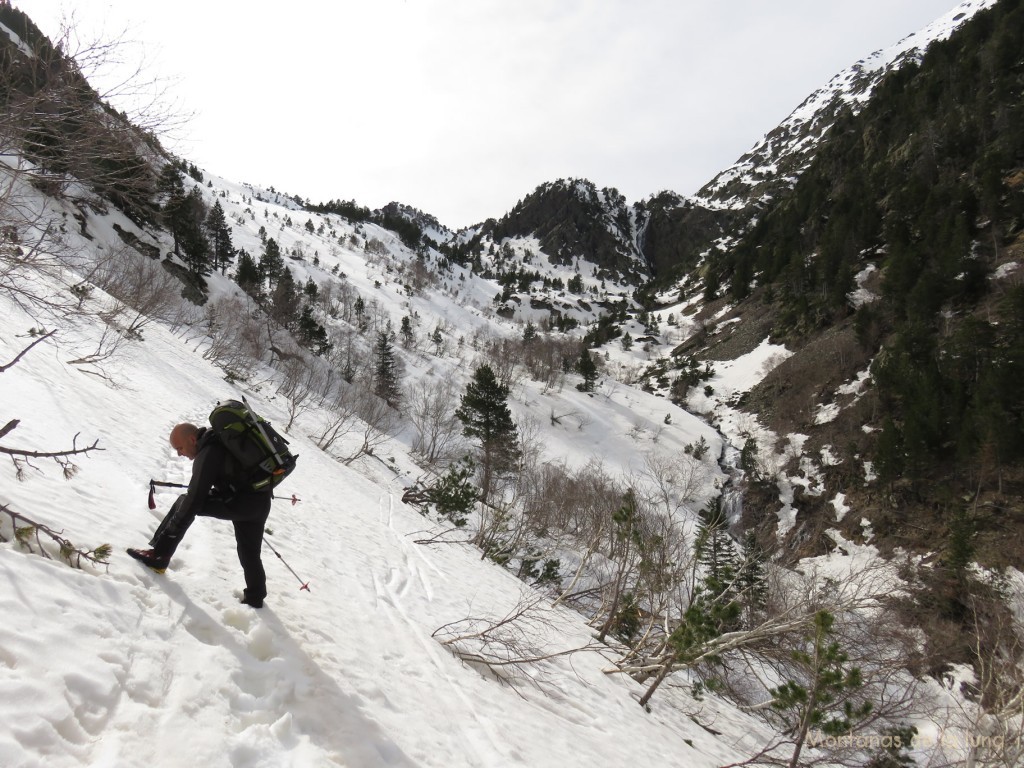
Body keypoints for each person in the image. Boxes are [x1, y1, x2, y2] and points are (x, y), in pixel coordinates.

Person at [127, 422, 272, 608]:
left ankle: (160, 555)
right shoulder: (220, 443)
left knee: (185, 502)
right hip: (260, 502)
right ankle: (256, 597)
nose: (180, 453)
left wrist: (171, 532)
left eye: (179, 448)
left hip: (239, 503)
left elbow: (194, 499)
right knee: (250, 554)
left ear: (192, 439)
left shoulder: (209, 451)